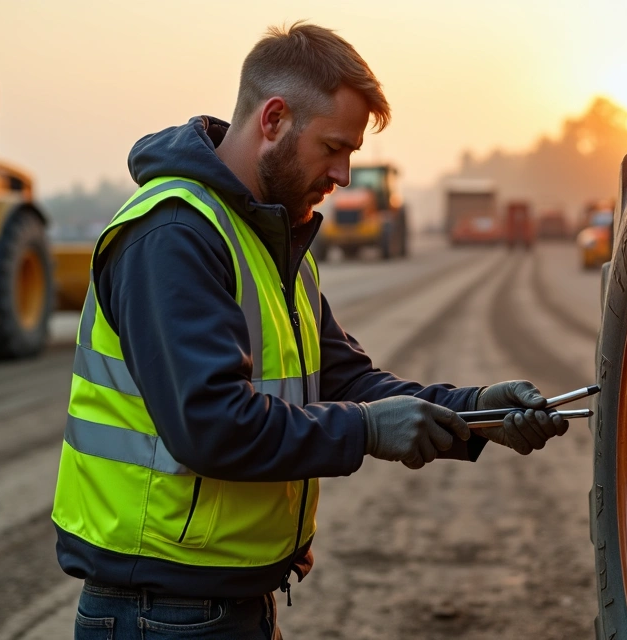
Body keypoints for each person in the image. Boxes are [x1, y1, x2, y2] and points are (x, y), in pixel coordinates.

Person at [51, 22, 569, 639]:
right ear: (273, 120)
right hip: (160, 615)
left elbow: (347, 379)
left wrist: (477, 414)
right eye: (334, 147)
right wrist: (367, 432)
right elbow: (210, 425)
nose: (345, 175)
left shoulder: (268, 239)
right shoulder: (175, 235)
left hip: (223, 602)